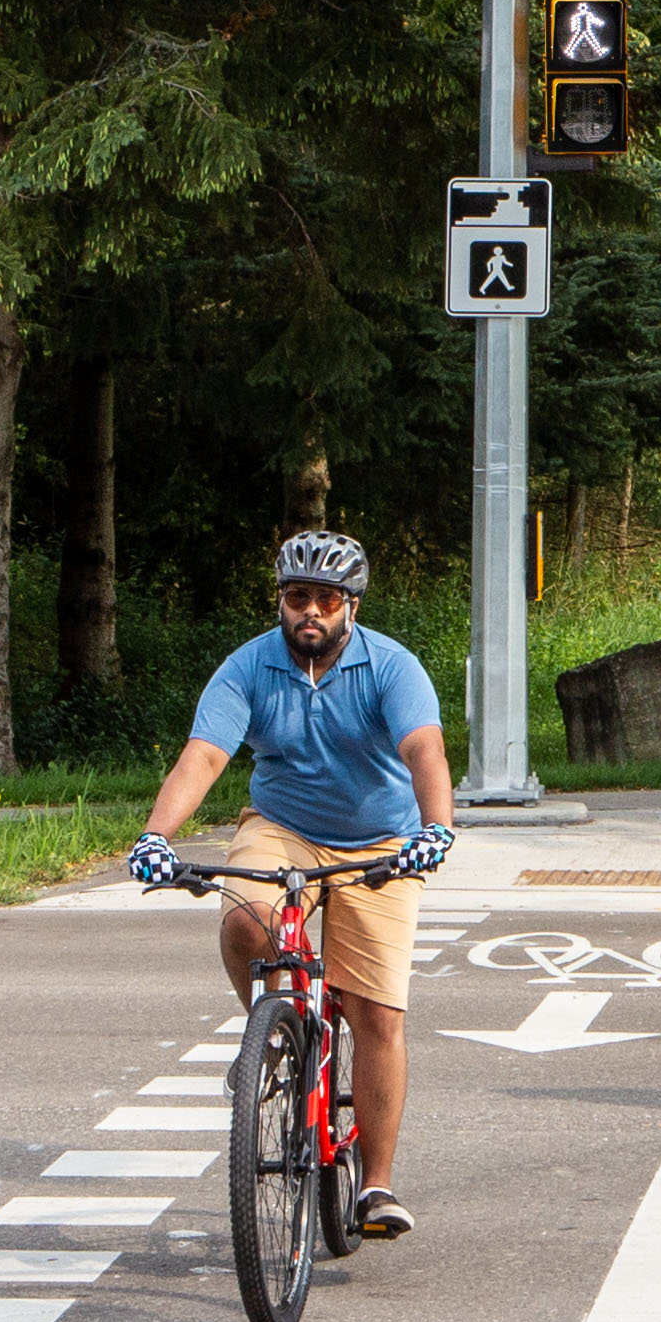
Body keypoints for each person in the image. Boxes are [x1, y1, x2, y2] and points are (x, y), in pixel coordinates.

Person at [127, 532, 457, 1242]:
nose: (311, 611)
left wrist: (434, 829)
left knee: (377, 1012)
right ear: (280, 600)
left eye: (326, 599)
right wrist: (155, 836)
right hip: (283, 825)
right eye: (296, 597)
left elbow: (423, 748)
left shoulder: (391, 666)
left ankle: (374, 1183)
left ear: (351, 605)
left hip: (381, 838)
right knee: (245, 915)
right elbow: (205, 753)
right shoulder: (249, 666)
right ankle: (272, 1039)